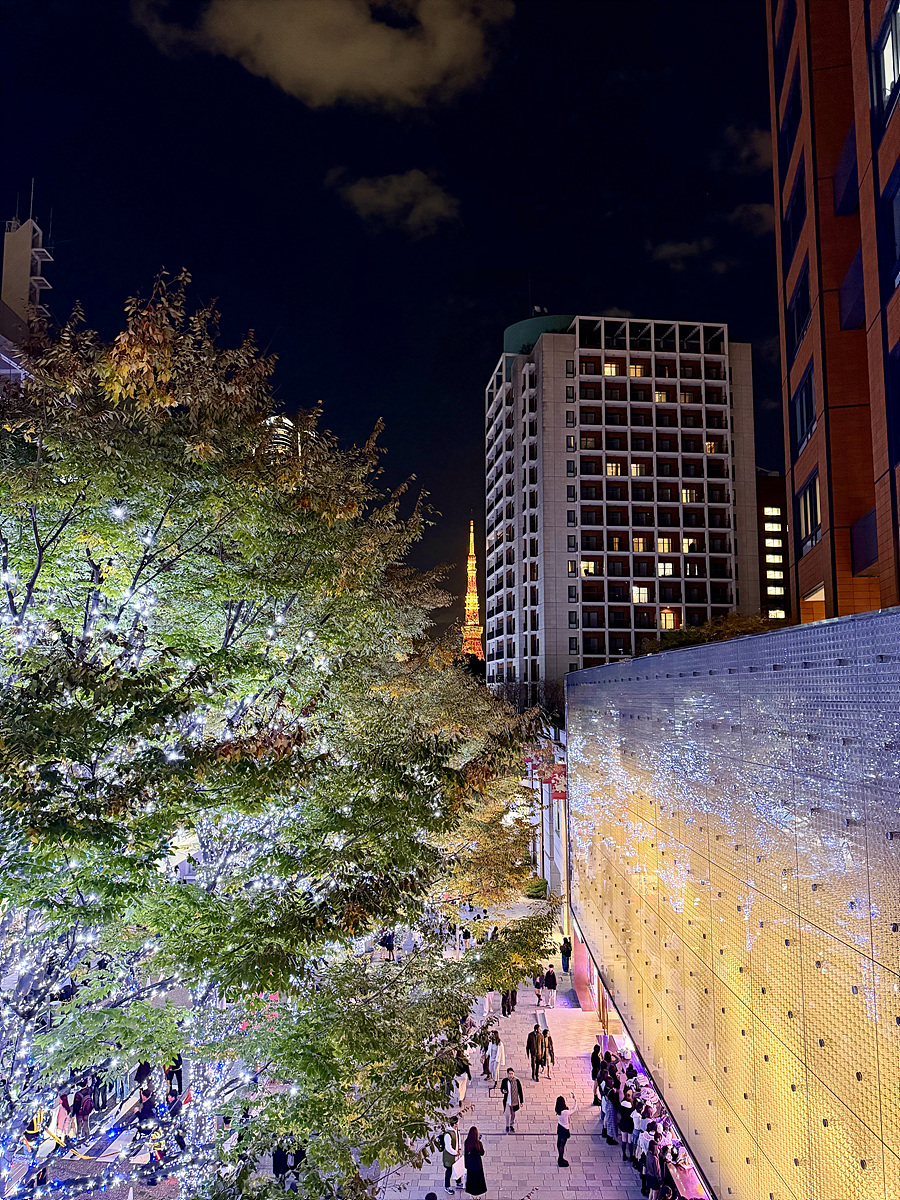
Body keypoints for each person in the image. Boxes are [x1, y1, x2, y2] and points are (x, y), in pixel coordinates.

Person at [555, 1093, 578, 1167]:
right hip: (565, 1129)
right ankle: (561, 1159)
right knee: (562, 1144)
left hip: (560, 1127)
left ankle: (560, 1157)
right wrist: (575, 1100)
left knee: (559, 1143)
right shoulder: (565, 1112)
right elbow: (574, 1109)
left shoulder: (558, 1110)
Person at [442, 1116, 463, 1195]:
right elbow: (448, 1148)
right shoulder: (448, 1134)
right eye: (457, 1123)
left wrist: (459, 1148)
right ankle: (447, 1186)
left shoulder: (456, 1130)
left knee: (458, 1169)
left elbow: (458, 1140)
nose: (458, 1124)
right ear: (454, 1124)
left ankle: (458, 1182)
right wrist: (455, 1153)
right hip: (450, 1157)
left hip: (456, 1155)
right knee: (449, 1171)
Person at [463, 1126, 486, 1196]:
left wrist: (465, 1164)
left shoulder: (467, 1142)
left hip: (470, 1163)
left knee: (471, 1179)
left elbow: (465, 1154)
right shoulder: (478, 1143)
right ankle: (478, 1194)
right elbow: (482, 1153)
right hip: (477, 1164)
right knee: (478, 1179)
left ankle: (471, 1193)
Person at [500, 1067, 523, 1133]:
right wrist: (503, 1091)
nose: (511, 1075)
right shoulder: (504, 1081)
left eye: (512, 1074)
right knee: (507, 1114)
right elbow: (502, 1088)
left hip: (514, 1101)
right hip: (507, 1100)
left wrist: (521, 1101)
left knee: (513, 1114)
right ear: (507, 1074)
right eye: (509, 1074)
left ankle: (511, 1125)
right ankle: (507, 1125)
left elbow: (520, 1091)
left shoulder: (517, 1081)